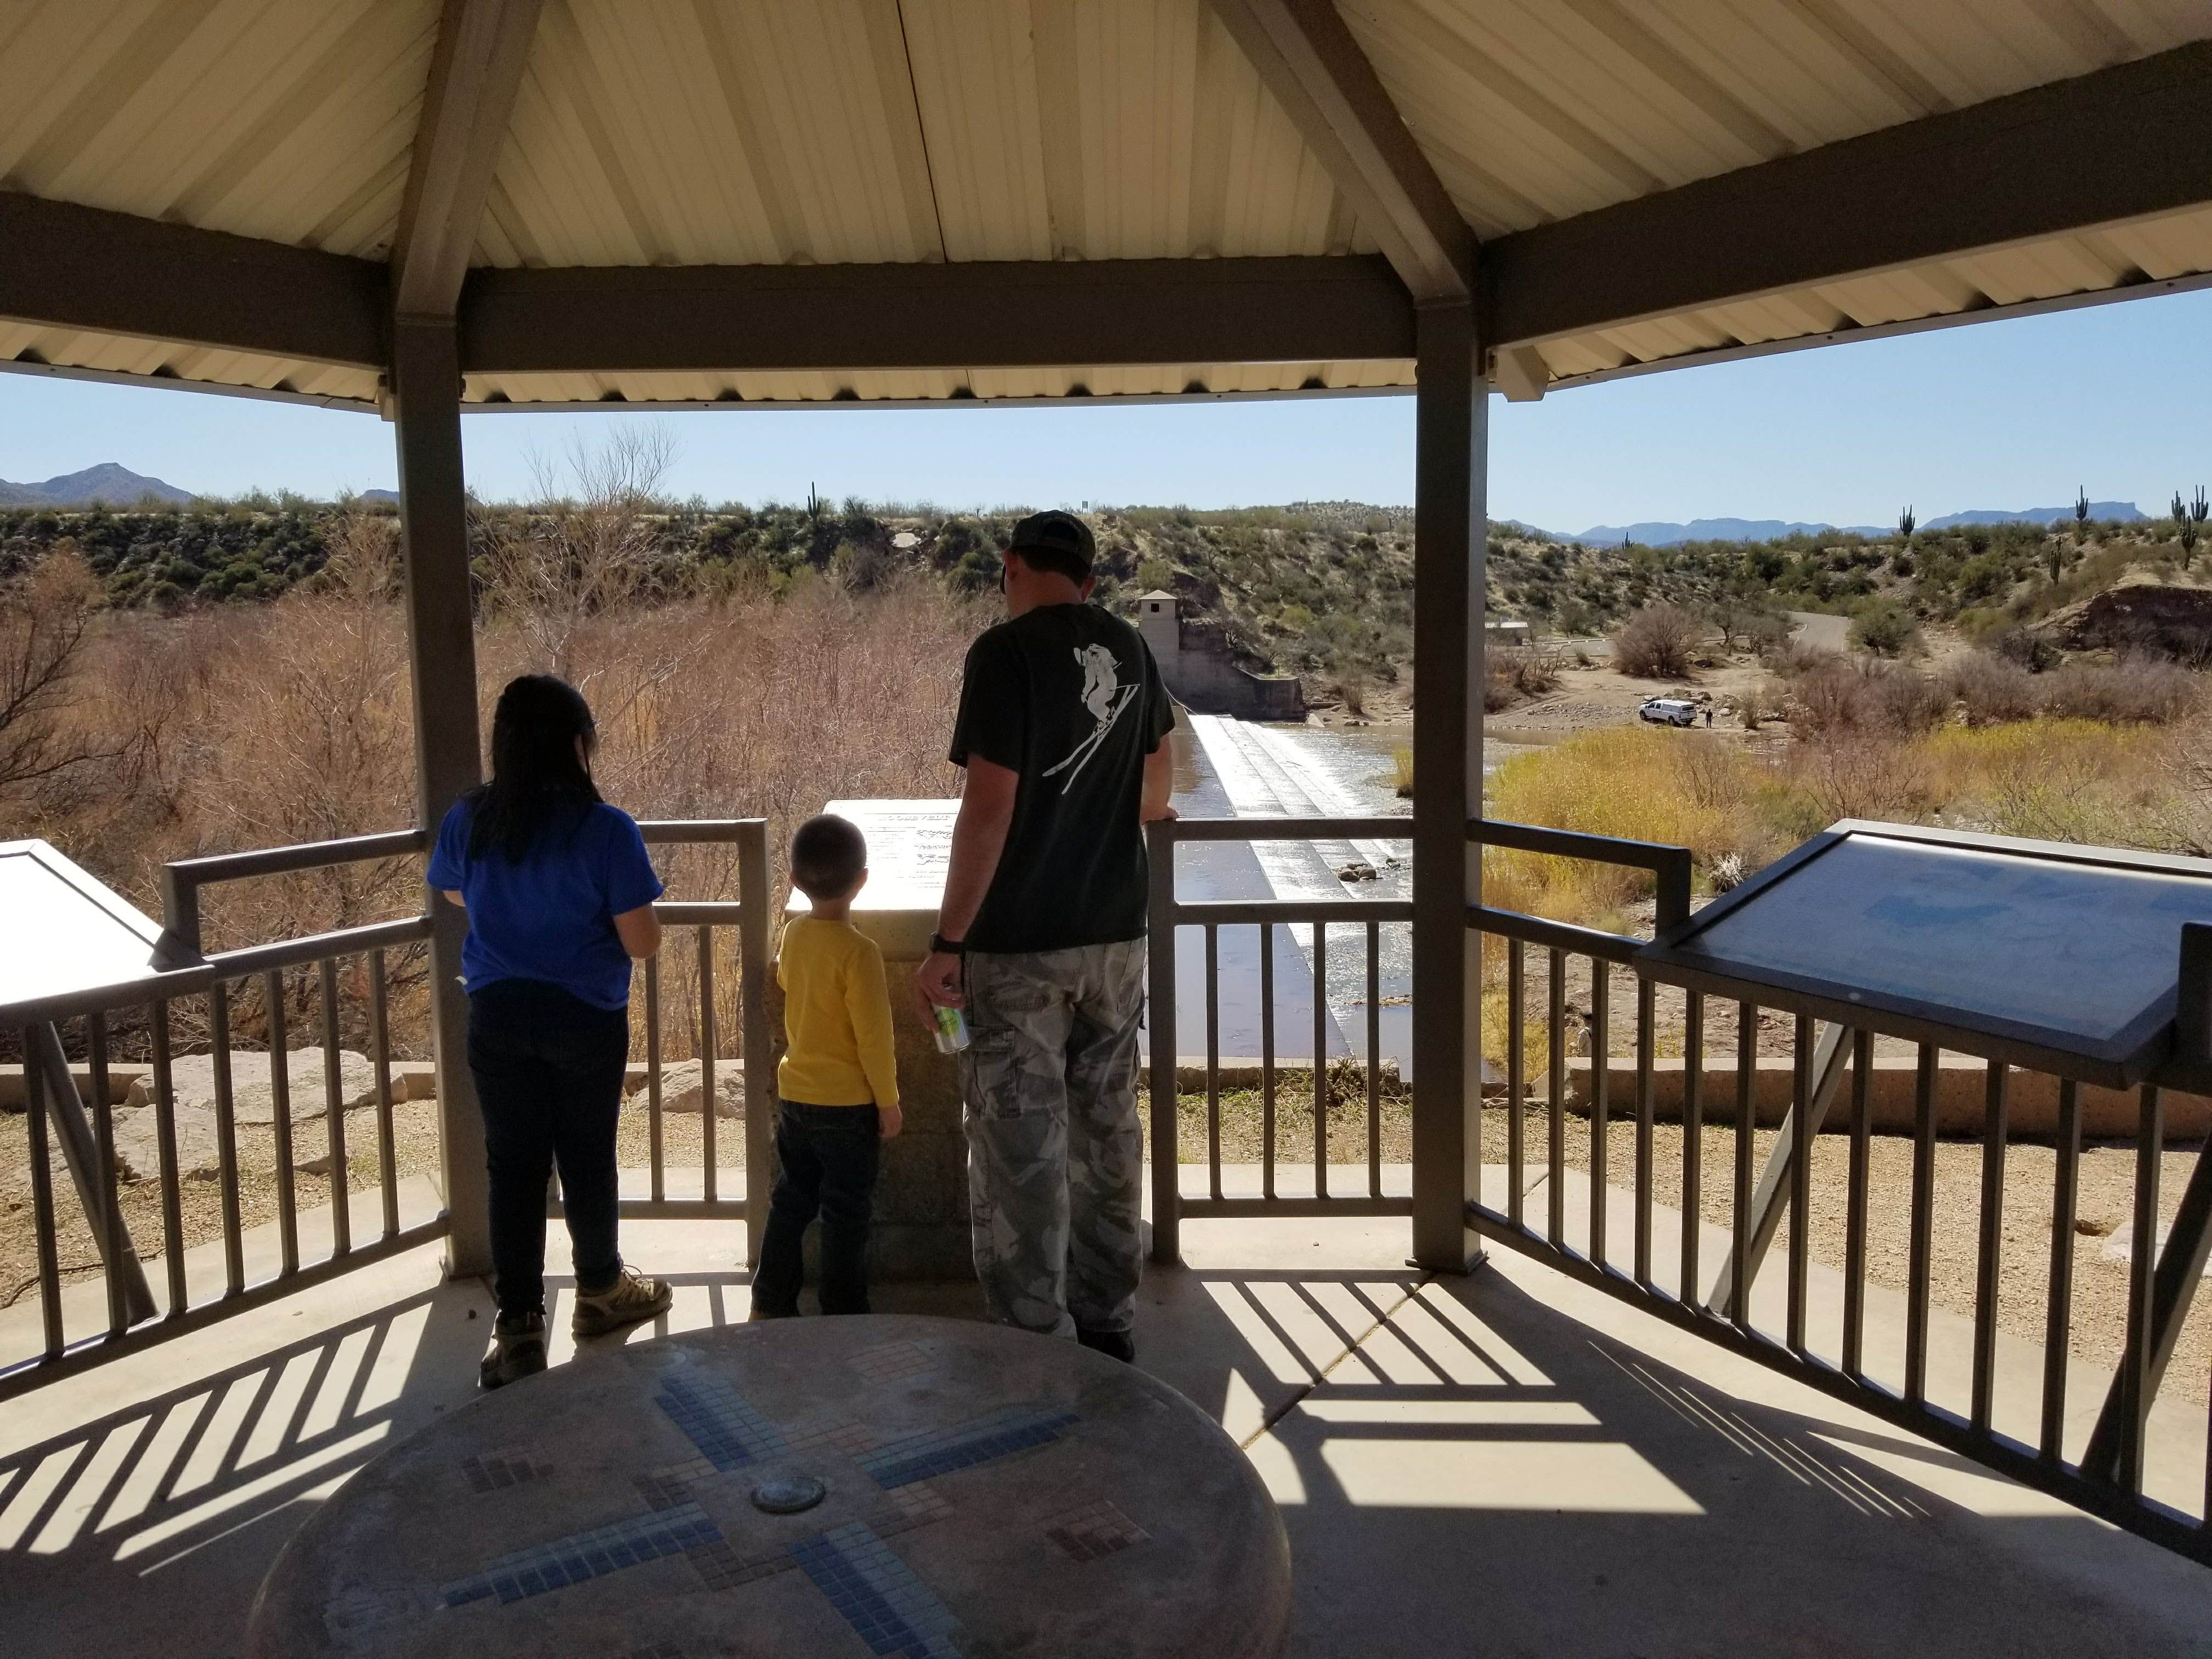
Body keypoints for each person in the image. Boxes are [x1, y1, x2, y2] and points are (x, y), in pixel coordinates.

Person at [913, 510, 1176, 1361]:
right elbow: (1153, 784)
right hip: (1116, 941)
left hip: (1020, 945)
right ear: (1090, 580)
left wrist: (948, 941)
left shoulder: (1004, 653)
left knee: (1019, 1145)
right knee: (1107, 1128)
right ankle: (1108, 1323)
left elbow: (989, 806)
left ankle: (1032, 1340)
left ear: (1011, 566)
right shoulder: (1131, 649)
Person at [427, 674, 675, 1390]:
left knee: (514, 1168)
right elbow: (642, 943)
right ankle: (601, 1290)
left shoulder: (469, 819)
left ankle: (518, 1328)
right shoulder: (605, 830)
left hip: (499, 1013)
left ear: (503, 744)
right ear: (575, 744)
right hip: (584, 1018)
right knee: (586, 1157)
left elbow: (451, 890)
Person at [752, 814, 902, 1317]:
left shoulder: (794, 936)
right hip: (849, 1105)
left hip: (797, 1096)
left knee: (791, 1200)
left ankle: (771, 1298)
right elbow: (874, 1040)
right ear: (862, 880)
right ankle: (842, 1308)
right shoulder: (862, 953)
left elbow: (791, 988)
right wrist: (889, 1102)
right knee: (845, 1212)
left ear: (794, 881)